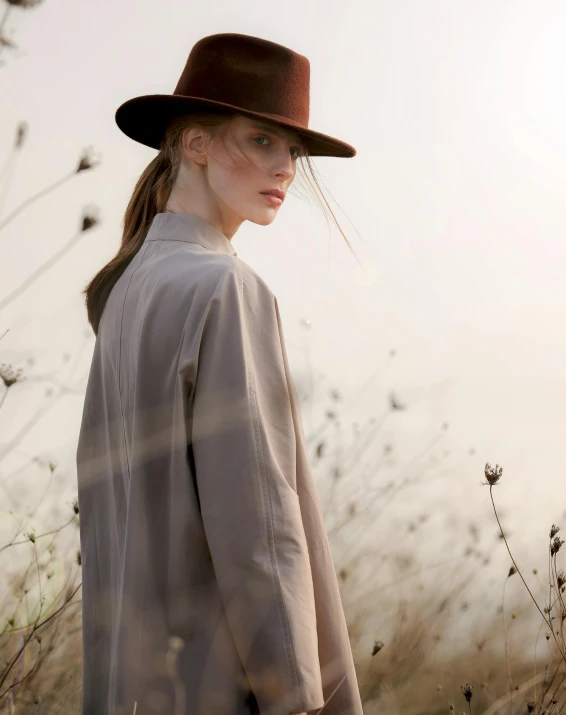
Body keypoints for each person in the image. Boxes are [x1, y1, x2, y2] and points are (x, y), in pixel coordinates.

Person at [76, 32, 363, 715]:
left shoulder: (129, 288)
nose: (287, 166)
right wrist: (294, 695)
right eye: (263, 139)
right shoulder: (223, 288)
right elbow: (260, 528)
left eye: (293, 150)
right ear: (196, 144)